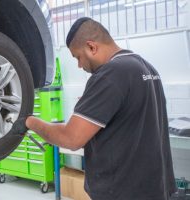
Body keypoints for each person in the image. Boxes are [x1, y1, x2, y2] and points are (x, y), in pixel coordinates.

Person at [11, 17, 176, 200]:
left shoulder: (110, 74)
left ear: (91, 47)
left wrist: (30, 121)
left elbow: (71, 138)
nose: (80, 65)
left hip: (123, 192)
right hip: (155, 189)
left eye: (78, 57)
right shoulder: (147, 68)